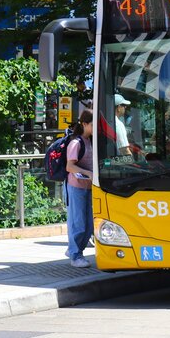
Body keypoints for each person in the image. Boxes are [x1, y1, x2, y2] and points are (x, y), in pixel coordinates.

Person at [64, 110, 94, 267]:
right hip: (76, 187)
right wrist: (86, 172)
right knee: (79, 222)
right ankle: (75, 255)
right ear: (84, 124)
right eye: (93, 124)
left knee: (88, 224)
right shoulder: (76, 143)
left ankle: (76, 251)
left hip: (88, 187)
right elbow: (69, 166)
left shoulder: (90, 141)